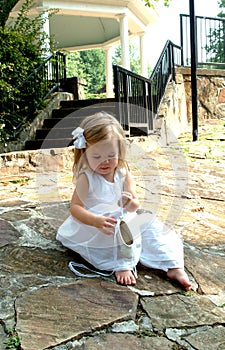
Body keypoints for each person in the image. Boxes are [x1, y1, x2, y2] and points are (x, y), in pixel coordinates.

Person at [56, 112, 191, 291]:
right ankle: (123, 265)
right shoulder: (86, 178)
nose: (105, 162)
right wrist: (95, 221)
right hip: (99, 222)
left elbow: (135, 203)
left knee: (151, 225)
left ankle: (173, 265)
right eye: (96, 156)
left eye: (111, 155)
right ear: (85, 152)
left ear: (120, 151)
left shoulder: (122, 172)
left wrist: (130, 203)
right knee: (117, 231)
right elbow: (76, 207)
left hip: (125, 217)